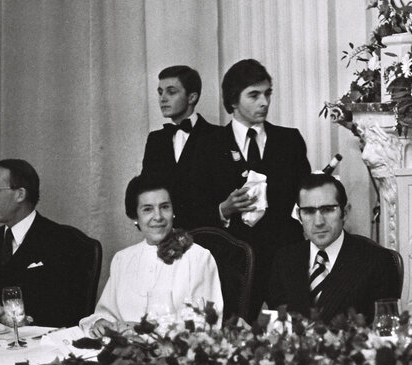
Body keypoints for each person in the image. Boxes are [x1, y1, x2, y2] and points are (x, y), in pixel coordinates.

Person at [193, 59, 311, 318]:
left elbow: (304, 196)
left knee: (294, 331)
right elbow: (192, 208)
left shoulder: (289, 141)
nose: (264, 102)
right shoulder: (208, 147)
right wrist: (223, 209)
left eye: (267, 93)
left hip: (285, 258)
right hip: (232, 263)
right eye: (254, 95)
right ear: (233, 100)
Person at [80, 174, 223, 336]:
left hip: (174, 357)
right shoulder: (123, 259)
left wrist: (145, 331)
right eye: (148, 209)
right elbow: (107, 313)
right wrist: (100, 322)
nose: (158, 217)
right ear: (135, 216)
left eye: (164, 207)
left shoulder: (198, 258)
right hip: (122, 355)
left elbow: (205, 325)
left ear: (173, 211)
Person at [0, 159, 97, 327]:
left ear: (20, 194)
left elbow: (70, 308)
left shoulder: (63, 241)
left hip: (38, 344)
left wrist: (26, 319)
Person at [266, 173, 401, 324]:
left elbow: (385, 331)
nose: (318, 222)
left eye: (328, 209)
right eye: (309, 211)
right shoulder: (285, 259)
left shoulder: (377, 261)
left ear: (345, 212)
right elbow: (278, 325)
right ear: (299, 215)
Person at [141, 65, 219, 229]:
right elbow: (147, 189)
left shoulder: (218, 136)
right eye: (160, 92)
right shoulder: (155, 140)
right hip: (165, 234)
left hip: (207, 234)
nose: (163, 98)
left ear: (192, 97)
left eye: (171, 91)